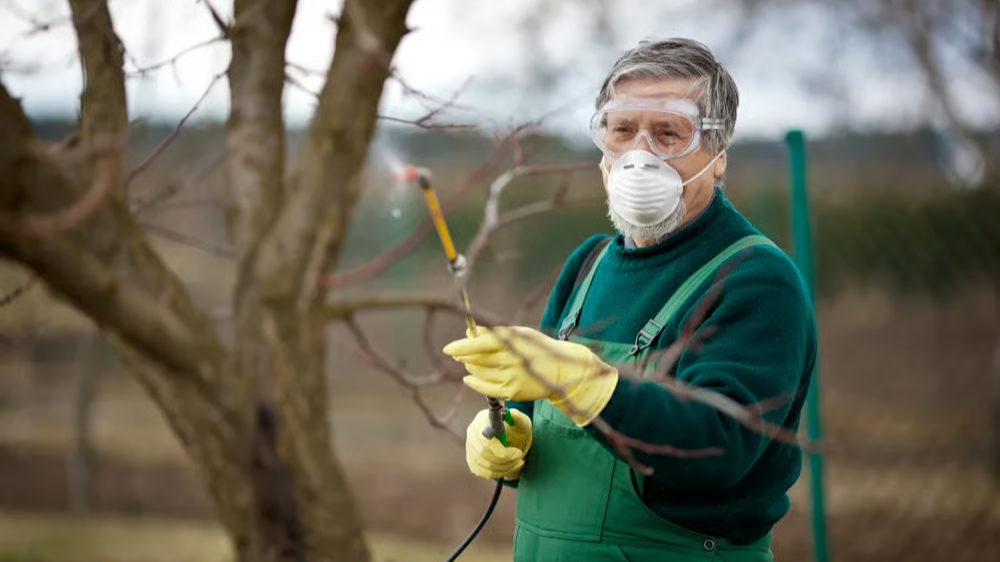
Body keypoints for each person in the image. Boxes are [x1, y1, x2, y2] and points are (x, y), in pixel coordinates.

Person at [443, 37, 818, 562]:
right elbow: (533, 407)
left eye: (669, 133)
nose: (639, 156)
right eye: (621, 131)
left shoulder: (755, 279)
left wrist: (582, 382)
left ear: (717, 158)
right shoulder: (589, 264)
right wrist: (505, 435)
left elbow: (717, 447)